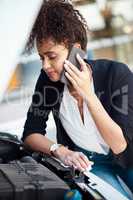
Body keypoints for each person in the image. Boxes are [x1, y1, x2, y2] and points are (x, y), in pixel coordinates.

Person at [22, 0, 133, 198]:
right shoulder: (48, 82)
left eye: (52, 56)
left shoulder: (116, 74)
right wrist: (60, 150)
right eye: (41, 57)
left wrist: (88, 95)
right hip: (91, 165)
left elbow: (120, 145)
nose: (45, 65)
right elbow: (30, 134)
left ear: (76, 50)